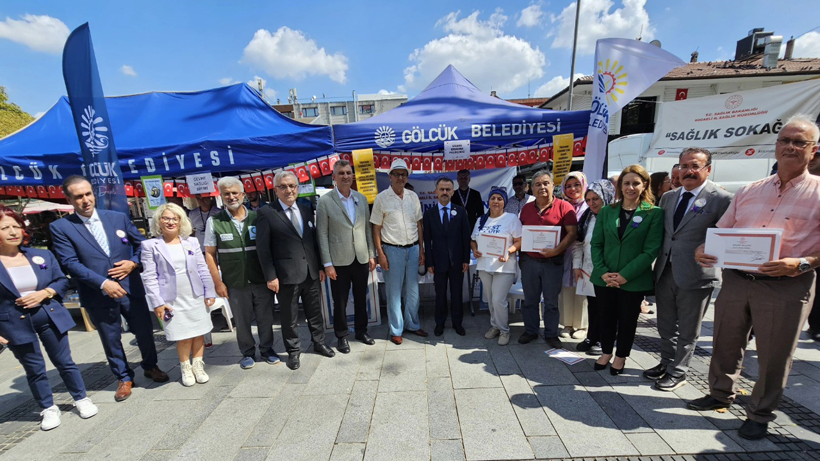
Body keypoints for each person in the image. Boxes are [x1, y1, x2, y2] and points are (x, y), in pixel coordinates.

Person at [689, 115, 820, 440]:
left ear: (813, 150)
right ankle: (720, 393)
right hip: (736, 280)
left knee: (775, 353)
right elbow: (723, 231)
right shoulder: (750, 190)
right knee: (725, 342)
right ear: (775, 147)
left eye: (799, 142)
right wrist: (704, 248)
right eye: (785, 140)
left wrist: (802, 263)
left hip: (786, 285)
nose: (790, 147)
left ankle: (760, 413)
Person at [50, 176, 168, 402]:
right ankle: (124, 377)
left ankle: (151, 366)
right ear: (68, 200)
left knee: (144, 331)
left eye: (87, 194)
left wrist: (134, 263)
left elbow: (141, 246)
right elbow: (69, 262)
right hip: (98, 293)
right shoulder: (61, 227)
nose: (85, 200)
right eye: (78, 197)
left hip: (130, 288)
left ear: (93, 193)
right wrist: (103, 283)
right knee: (110, 337)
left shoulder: (117, 218)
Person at [643, 148, 733, 391]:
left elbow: (727, 237)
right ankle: (665, 363)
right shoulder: (669, 197)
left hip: (696, 274)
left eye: (695, 166)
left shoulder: (722, 199)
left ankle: (679, 371)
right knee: (665, 323)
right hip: (665, 271)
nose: (688, 171)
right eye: (684, 166)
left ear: (708, 169)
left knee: (688, 329)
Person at [0, 206, 98, 430]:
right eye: (5, 228)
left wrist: (46, 293)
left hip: (49, 315)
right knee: (34, 368)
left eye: (16, 225)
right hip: (14, 323)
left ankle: (81, 398)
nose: (13, 231)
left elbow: (61, 280)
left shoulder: (41, 255)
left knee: (65, 362)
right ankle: (48, 408)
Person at [590, 165, 663, 375]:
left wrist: (624, 276)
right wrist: (603, 271)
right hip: (604, 277)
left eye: (635, 183)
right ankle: (605, 352)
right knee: (605, 317)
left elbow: (650, 251)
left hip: (633, 280)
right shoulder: (607, 211)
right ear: (620, 186)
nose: (630, 187)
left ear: (645, 185)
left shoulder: (654, 213)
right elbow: (596, 244)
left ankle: (620, 357)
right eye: (626, 183)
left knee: (627, 320)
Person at [257, 171, 334, 370]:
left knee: (315, 312)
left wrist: (318, 267)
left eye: (292, 186)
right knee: (289, 318)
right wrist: (270, 276)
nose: (288, 190)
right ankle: (293, 351)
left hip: (310, 272)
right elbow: (263, 249)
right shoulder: (267, 213)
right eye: (283, 186)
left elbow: (312, 241)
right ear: (276, 190)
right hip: (285, 276)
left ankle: (319, 343)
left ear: (297, 188)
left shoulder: (306, 209)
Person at [204, 177, 279, 370]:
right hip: (235, 281)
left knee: (265, 317)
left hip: (260, 278)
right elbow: (210, 255)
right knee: (242, 320)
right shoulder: (215, 221)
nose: (231, 197)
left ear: (243, 195)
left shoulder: (258, 217)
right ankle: (247, 353)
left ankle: (267, 350)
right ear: (221, 197)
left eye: (235, 193)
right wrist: (217, 283)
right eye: (226, 194)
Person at [141, 203, 216, 387]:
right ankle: (185, 367)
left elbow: (202, 268)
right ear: (159, 221)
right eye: (166, 218)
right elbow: (150, 277)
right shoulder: (150, 245)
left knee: (199, 332)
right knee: (183, 334)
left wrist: (210, 291)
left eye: (175, 218)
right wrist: (157, 302)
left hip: (195, 295)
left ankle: (198, 366)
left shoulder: (191, 242)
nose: (171, 222)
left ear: (181, 221)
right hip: (171, 299)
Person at [316, 160, 377, 353]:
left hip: (360, 258)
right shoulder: (325, 201)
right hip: (338, 261)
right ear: (334, 177)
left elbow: (367, 229)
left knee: (361, 297)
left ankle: (361, 331)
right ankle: (341, 336)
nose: (345, 176)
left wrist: (371, 254)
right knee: (340, 301)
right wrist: (327, 263)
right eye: (341, 173)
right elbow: (322, 234)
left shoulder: (361, 198)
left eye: (348, 172)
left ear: (353, 176)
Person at [518, 171, 578, 348]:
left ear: (553, 186)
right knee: (530, 300)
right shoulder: (527, 209)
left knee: (551, 302)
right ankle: (531, 331)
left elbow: (572, 233)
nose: (542, 187)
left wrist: (556, 250)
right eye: (537, 184)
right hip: (529, 261)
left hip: (553, 263)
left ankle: (551, 334)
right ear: (532, 188)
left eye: (545, 183)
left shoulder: (564, 207)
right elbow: (520, 234)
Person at [371, 159, 427, 345]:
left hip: (413, 249)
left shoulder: (413, 197)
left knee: (413, 291)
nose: (400, 178)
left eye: (403, 174)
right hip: (392, 250)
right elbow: (376, 228)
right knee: (394, 292)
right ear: (390, 177)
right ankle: (396, 329)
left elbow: (419, 224)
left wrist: (421, 249)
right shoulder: (381, 198)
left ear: (407, 177)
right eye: (397, 174)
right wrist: (380, 253)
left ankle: (412, 323)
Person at [471, 188, 521, 345]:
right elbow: (473, 240)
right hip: (485, 266)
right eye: (493, 198)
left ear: (504, 202)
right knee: (490, 300)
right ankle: (495, 326)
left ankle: (504, 330)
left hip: (504, 267)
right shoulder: (481, 220)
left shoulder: (511, 218)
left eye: (500, 198)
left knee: (499, 300)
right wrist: (474, 249)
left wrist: (509, 251)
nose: (496, 201)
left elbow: (520, 240)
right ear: (488, 201)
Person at [573, 180, 616, 356]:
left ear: (606, 197)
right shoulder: (586, 217)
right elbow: (579, 243)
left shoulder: (614, 216)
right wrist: (577, 266)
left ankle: (604, 340)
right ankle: (592, 336)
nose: (592, 203)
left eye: (596, 198)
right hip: (588, 269)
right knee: (593, 304)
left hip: (608, 270)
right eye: (589, 199)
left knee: (607, 307)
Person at [423, 177, 471, 336]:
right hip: (438, 262)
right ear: (436, 192)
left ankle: (458, 323)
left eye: (448, 189)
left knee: (457, 294)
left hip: (457, 262)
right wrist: (429, 261)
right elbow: (427, 240)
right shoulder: (429, 214)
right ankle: (440, 323)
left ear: (452, 192)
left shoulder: (461, 211)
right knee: (440, 294)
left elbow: (466, 237)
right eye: (441, 189)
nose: (444, 192)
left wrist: (466, 259)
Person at [558, 172, 589, 339]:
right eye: (568, 186)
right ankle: (567, 323)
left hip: (584, 255)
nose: (573, 189)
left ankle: (582, 325)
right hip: (563, 253)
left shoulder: (589, 206)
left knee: (582, 289)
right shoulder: (562, 206)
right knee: (565, 288)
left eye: (577, 185)